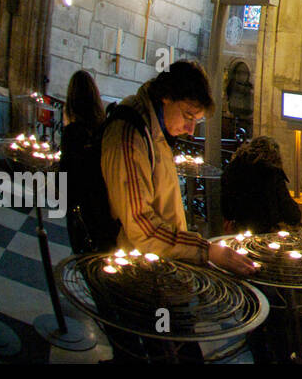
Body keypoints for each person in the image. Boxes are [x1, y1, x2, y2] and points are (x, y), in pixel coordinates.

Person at [99, 60, 254, 275]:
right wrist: (206, 251)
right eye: (188, 116)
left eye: (196, 121)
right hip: (136, 274)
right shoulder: (130, 134)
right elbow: (142, 228)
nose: (191, 131)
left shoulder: (155, 129)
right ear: (167, 96)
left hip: (159, 266)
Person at [58, 70, 106, 253]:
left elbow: (66, 175)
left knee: (82, 252)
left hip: (79, 205)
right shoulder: (103, 128)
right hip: (101, 205)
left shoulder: (72, 132)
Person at [222, 136, 301, 233]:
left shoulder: (233, 167)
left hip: (239, 227)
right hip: (264, 230)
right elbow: (286, 206)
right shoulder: (271, 172)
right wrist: (296, 217)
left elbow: (225, 200)